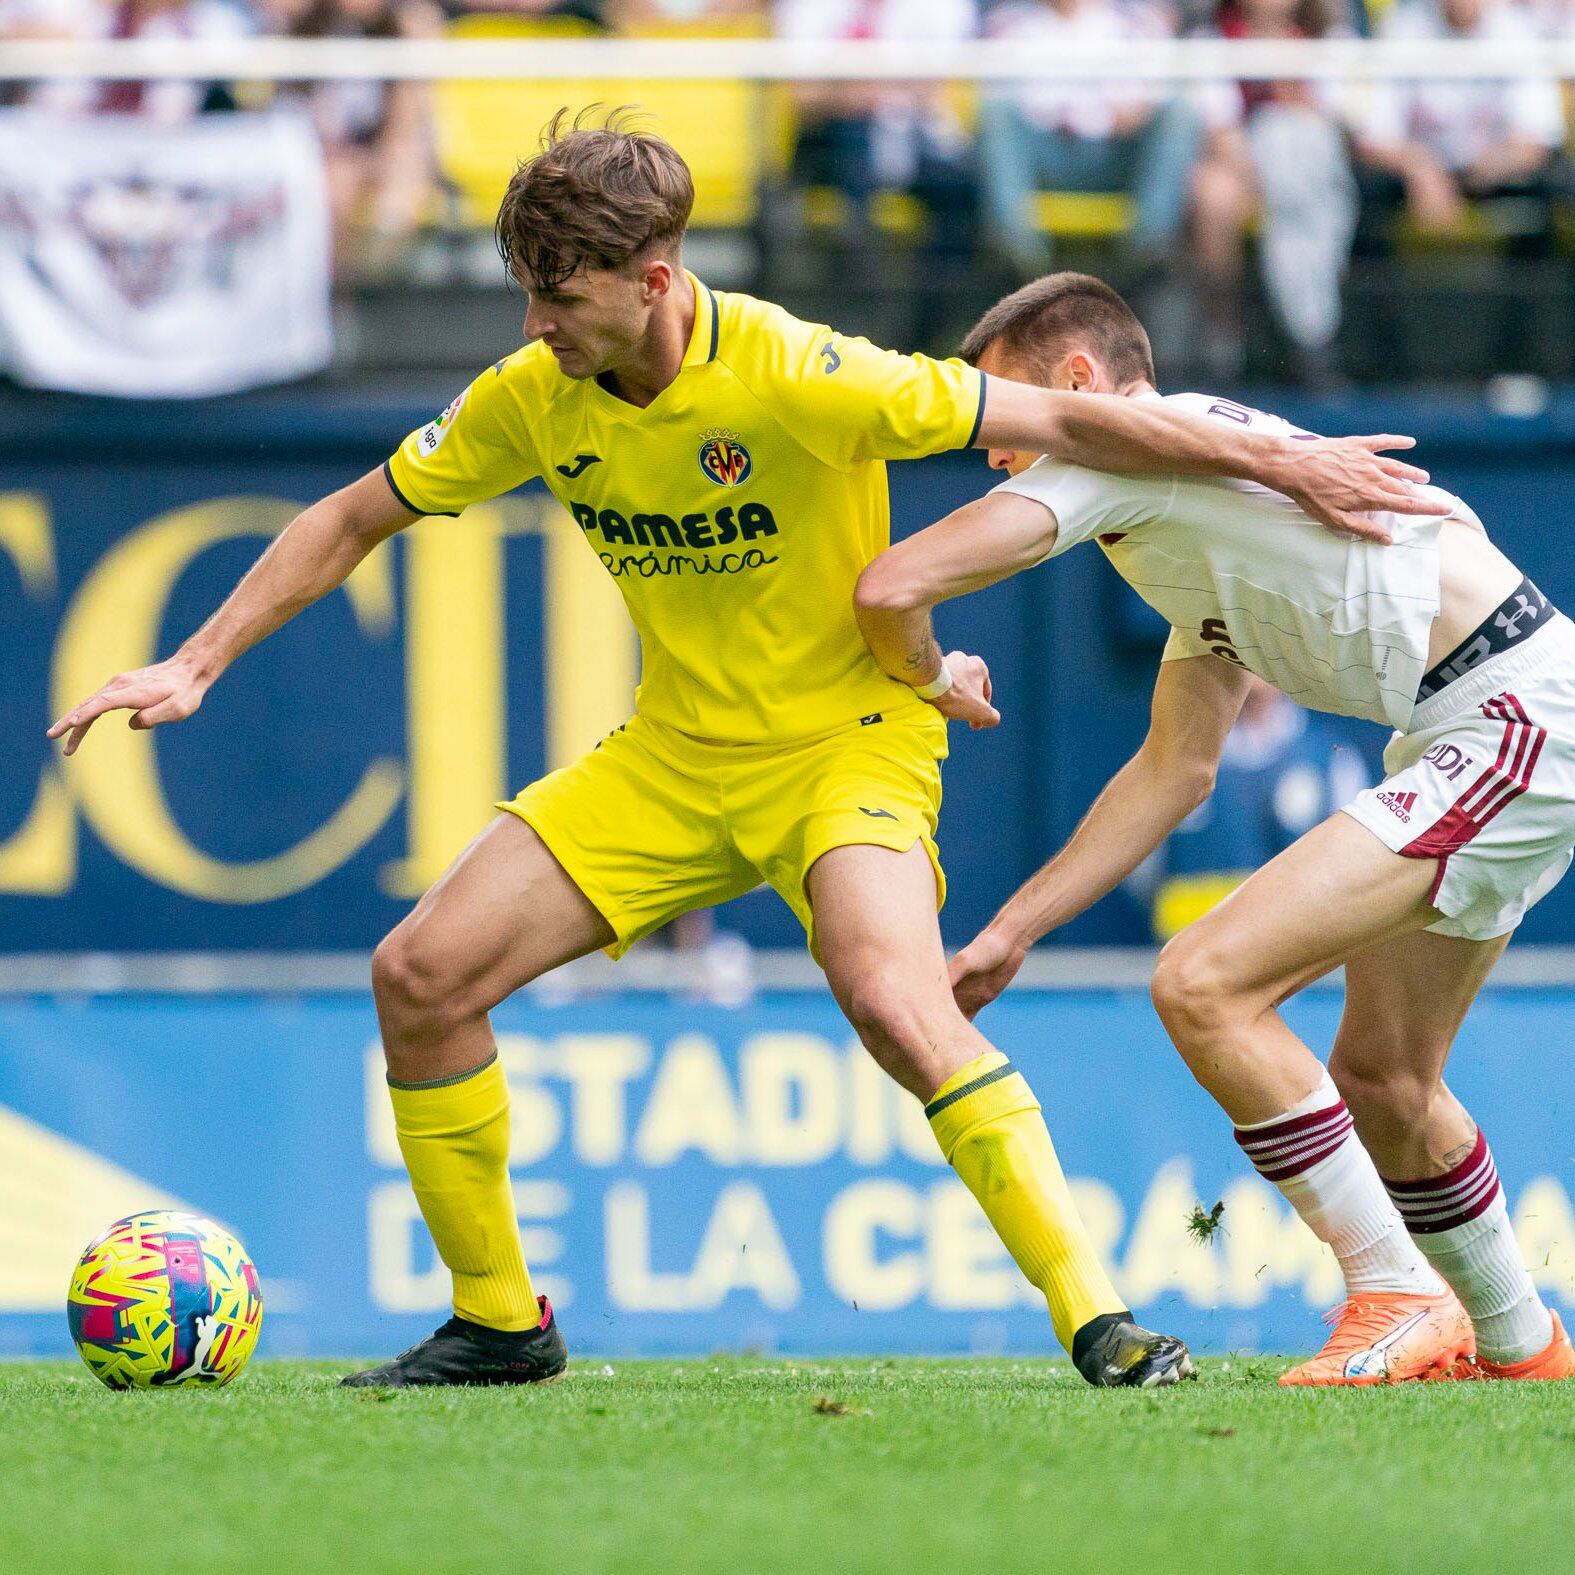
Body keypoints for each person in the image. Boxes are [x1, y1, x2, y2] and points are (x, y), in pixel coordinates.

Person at [48, 122, 1430, 1390]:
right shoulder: (537, 393)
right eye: (527, 296)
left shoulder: (801, 368)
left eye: (562, 298)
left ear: (651, 279)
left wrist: (1286, 463)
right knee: (417, 975)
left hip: (846, 744)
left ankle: (1096, 1316)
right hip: (671, 755)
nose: (535, 327)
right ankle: (499, 1320)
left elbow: (1068, 421)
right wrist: (195, 658)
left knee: (891, 999)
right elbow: (352, 518)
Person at [854, 270, 1574, 1385]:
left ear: (1081, 384)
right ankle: (1525, 1347)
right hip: (1473, 723)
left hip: (1512, 718)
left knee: (1203, 983)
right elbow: (1175, 772)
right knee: (1384, 1080)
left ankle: (1395, 1290)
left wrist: (928, 674)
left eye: (1002, 410)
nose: (991, 442)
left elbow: (892, 583)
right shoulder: (1194, 492)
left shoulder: (1117, 452)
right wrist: (1012, 930)